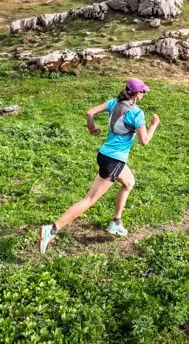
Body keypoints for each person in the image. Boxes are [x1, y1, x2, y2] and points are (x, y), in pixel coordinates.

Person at [40, 78, 160, 254]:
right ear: (136, 94)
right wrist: (154, 125)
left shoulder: (114, 103)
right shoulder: (136, 113)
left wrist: (91, 128)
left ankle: (116, 222)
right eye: (143, 92)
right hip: (114, 161)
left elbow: (90, 112)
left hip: (104, 154)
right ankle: (51, 229)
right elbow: (145, 141)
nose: (144, 95)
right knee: (89, 199)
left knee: (129, 183)